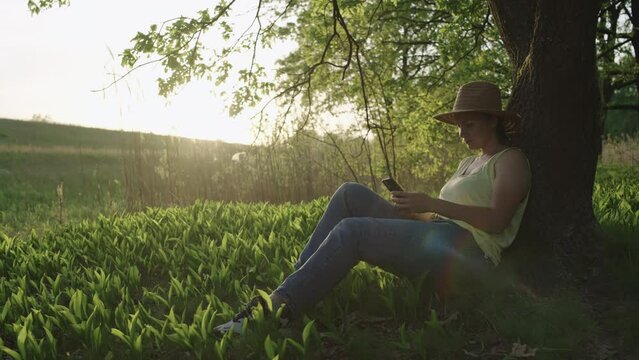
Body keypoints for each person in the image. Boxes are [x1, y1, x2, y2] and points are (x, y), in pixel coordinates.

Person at [213, 81, 532, 334]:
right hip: (437, 233)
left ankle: (274, 311)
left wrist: (433, 202)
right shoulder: (468, 162)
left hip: (470, 255)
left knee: (353, 232)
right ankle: (297, 284)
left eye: (470, 125)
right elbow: (438, 215)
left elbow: (497, 221)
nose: (461, 133)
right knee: (350, 193)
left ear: (493, 121)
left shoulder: (510, 161)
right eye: (459, 125)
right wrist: (415, 210)